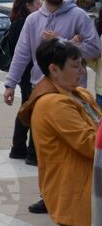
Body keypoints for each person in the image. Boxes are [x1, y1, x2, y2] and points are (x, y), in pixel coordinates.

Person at [17, 38, 101, 226]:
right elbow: (91, 144)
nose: (82, 71)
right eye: (75, 66)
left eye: (82, 65)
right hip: (77, 195)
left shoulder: (80, 94)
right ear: (54, 70)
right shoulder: (53, 104)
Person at [5, 0, 101, 105]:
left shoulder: (79, 16)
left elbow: (94, 49)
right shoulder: (33, 20)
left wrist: (61, 41)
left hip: (72, 92)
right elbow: (21, 54)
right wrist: (10, 84)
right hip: (40, 89)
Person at [4, 0, 41, 164]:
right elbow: (24, 52)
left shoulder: (16, 22)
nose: (40, 7)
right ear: (28, 6)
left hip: (23, 73)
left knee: (26, 108)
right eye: (37, 4)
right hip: (28, 73)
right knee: (33, 110)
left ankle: (18, 148)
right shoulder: (25, 23)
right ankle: (31, 152)